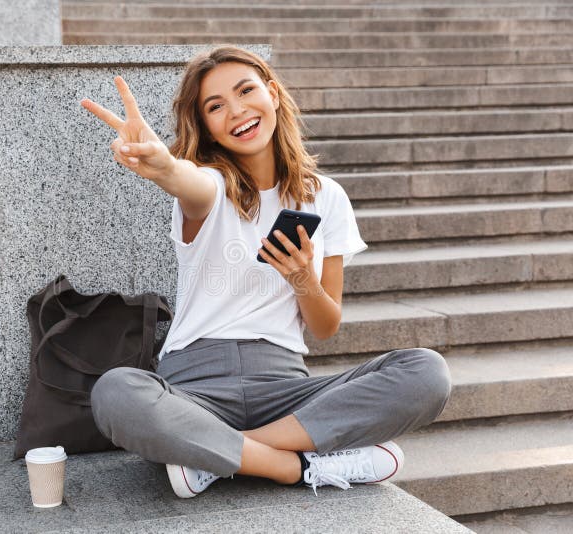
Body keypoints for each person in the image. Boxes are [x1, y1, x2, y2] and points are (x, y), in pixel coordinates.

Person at [80, 45, 451, 499]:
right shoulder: (208, 186)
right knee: (116, 392)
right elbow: (185, 180)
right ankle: (293, 466)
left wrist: (301, 279)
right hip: (195, 392)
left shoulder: (327, 197)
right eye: (215, 106)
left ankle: (214, 457)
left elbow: (325, 325)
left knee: (426, 372)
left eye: (245, 91)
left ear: (272, 93)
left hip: (286, 392)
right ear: (208, 128)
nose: (236, 111)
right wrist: (162, 168)